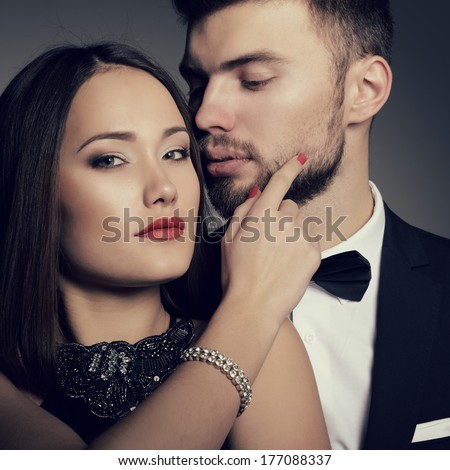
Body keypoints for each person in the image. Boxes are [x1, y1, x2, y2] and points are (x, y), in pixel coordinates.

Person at [0, 42, 329, 449]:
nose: (164, 189)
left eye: (175, 152)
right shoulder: (251, 330)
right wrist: (251, 309)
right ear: (32, 187)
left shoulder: (269, 347)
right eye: (110, 159)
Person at [173, 0, 450, 450]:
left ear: (364, 89)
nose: (204, 116)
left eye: (253, 80)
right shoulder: (153, 298)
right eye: (198, 84)